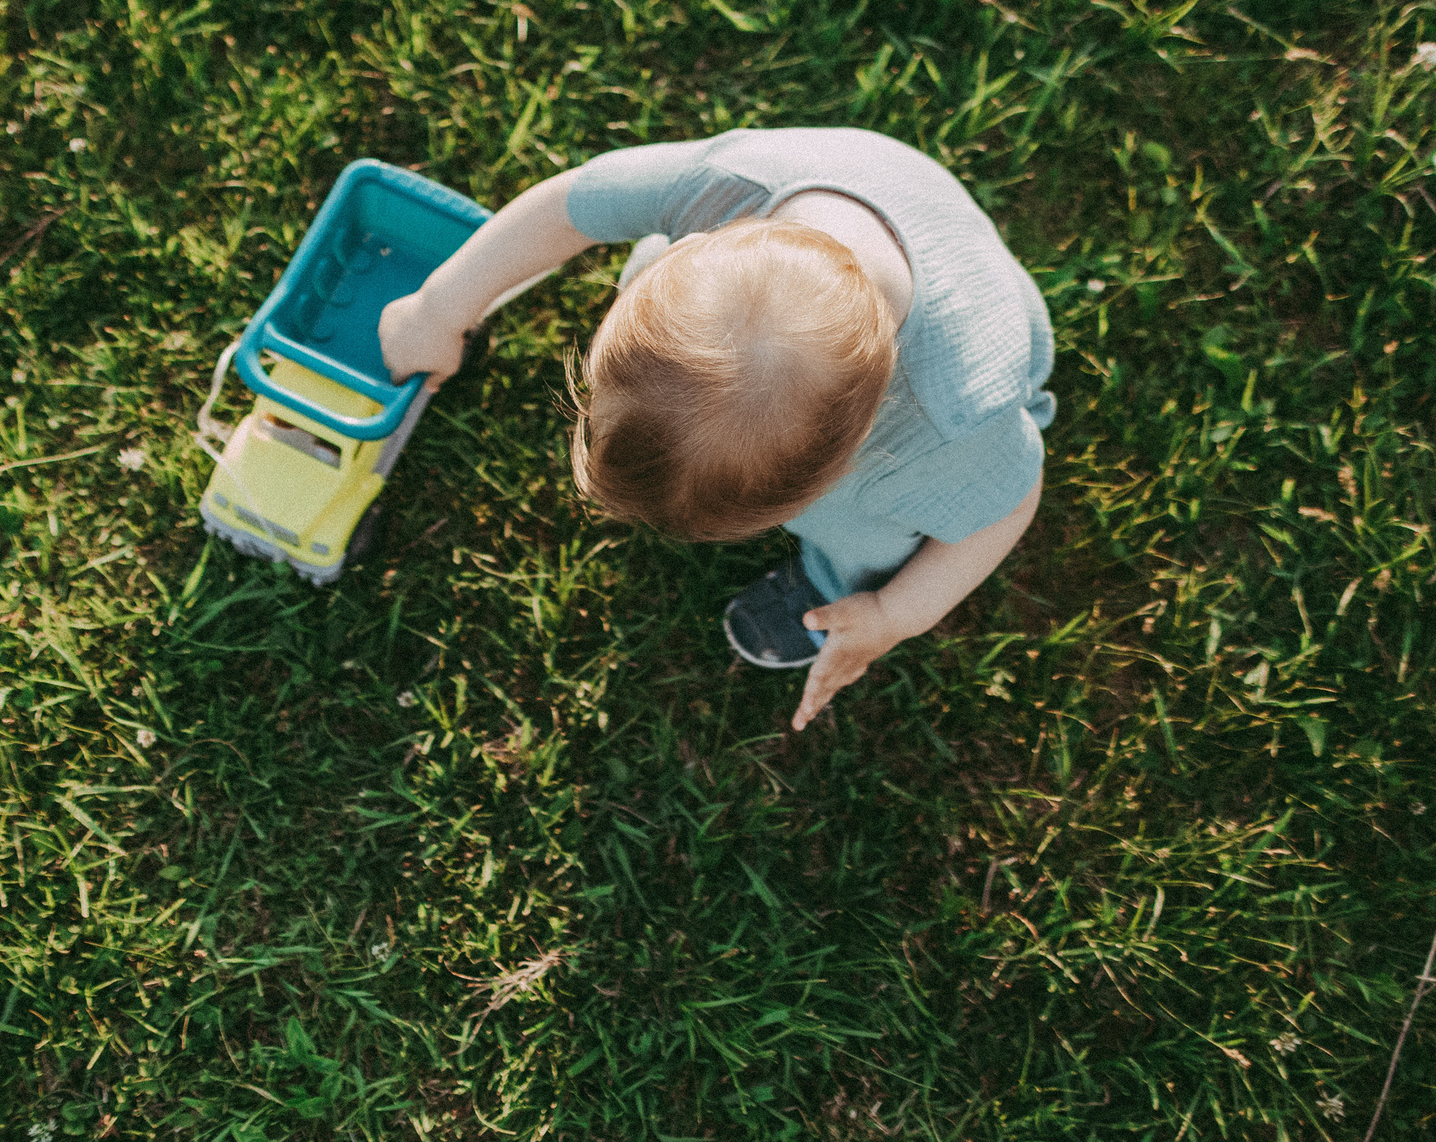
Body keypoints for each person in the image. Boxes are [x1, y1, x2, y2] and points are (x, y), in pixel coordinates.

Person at [377, 128, 1053, 731]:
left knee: (865, 523)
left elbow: (1010, 504)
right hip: (884, 186)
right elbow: (566, 205)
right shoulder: (725, 180)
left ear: (848, 452)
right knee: (655, 282)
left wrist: (893, 613)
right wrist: (438, 308)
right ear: (699, 244)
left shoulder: (952, 426)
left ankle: (829, 581)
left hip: (974, 317)